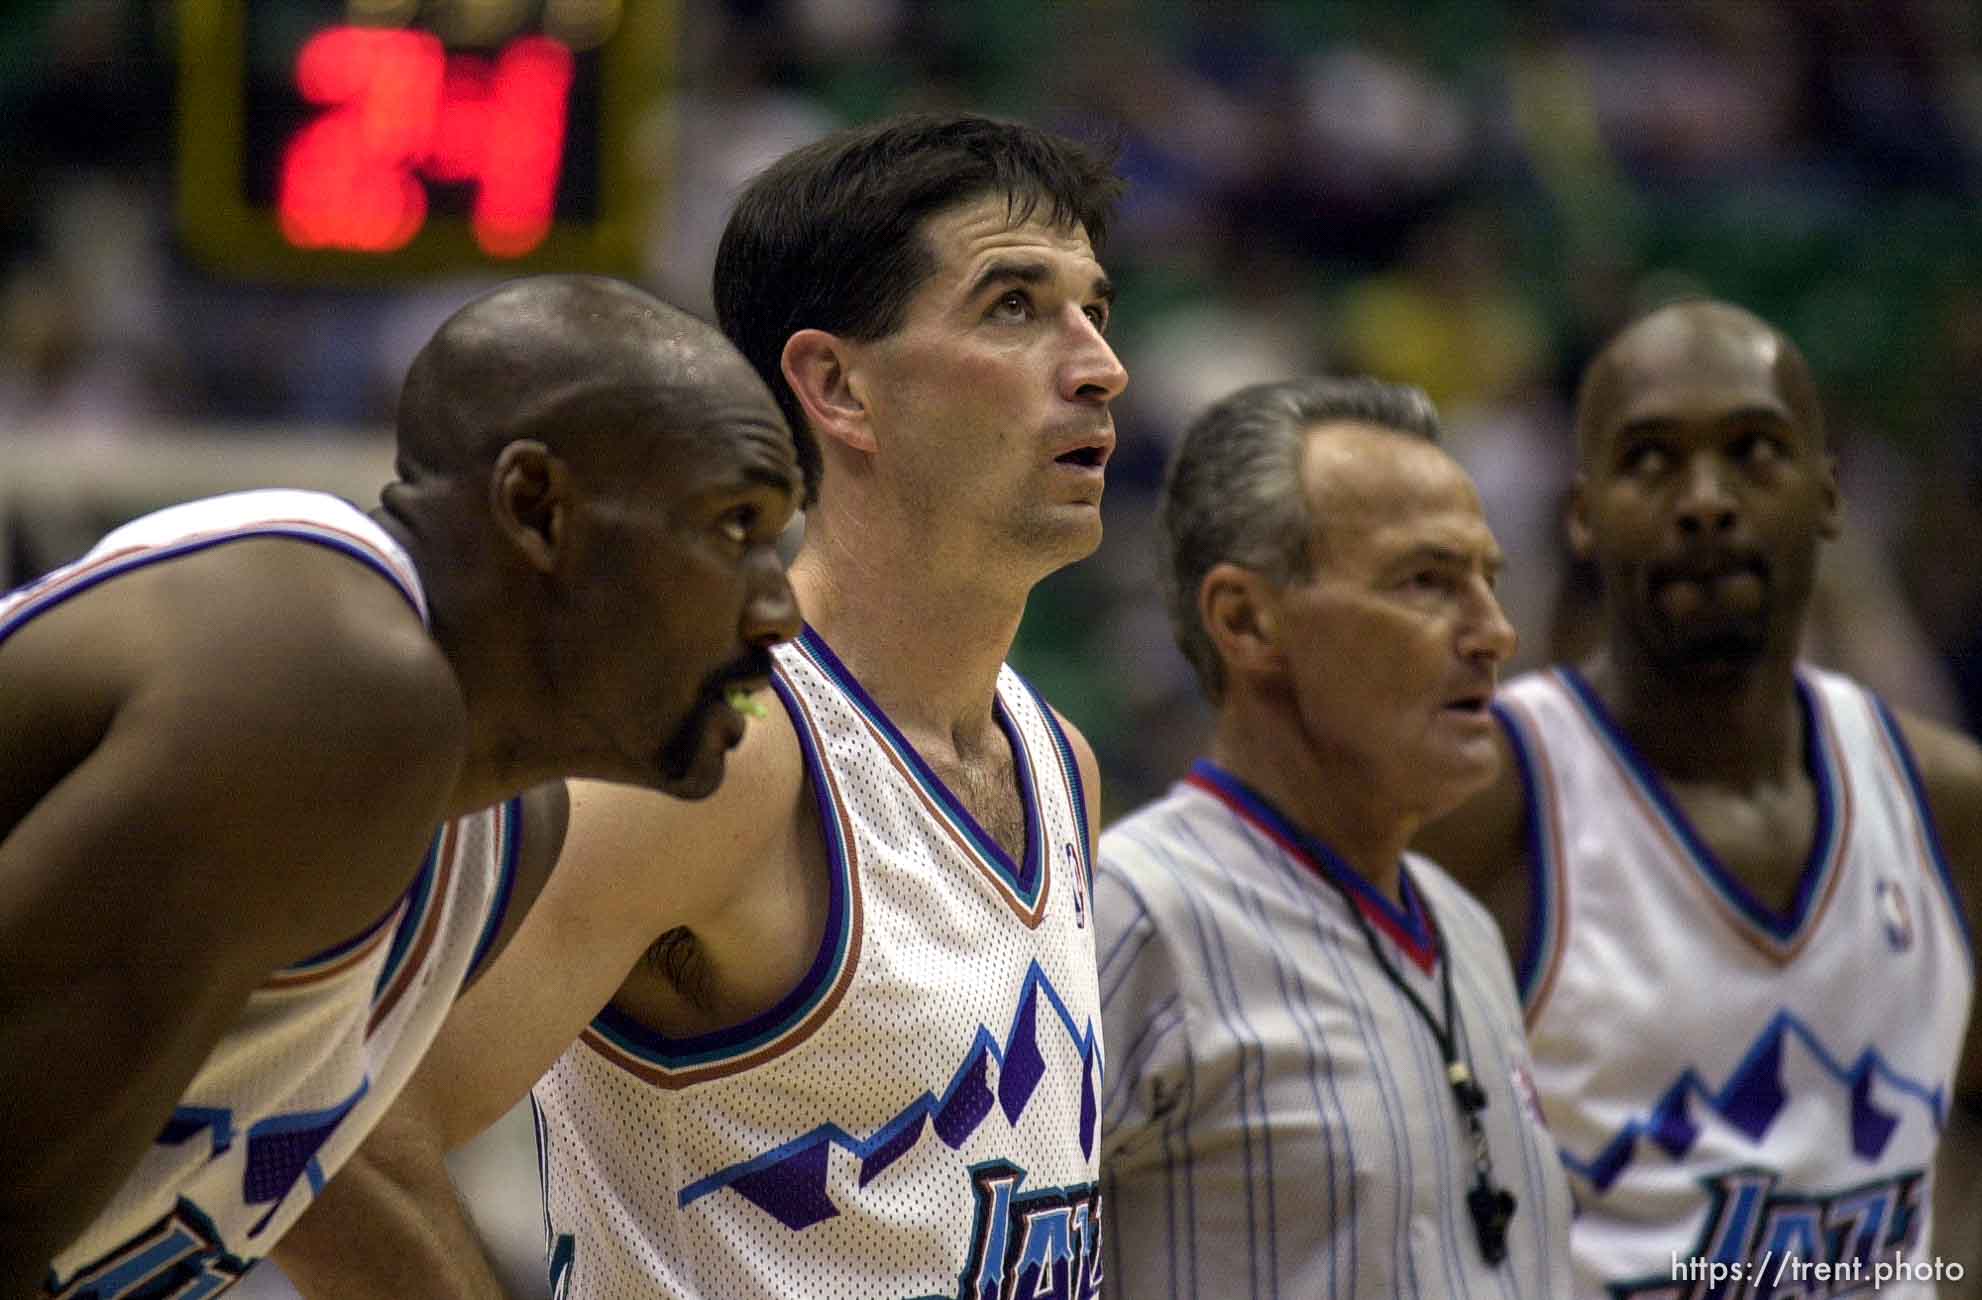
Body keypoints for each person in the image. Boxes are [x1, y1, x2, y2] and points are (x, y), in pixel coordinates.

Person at [271, 111, 1128, 1300]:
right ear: (837, 387)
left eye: (1096, 309)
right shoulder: (723, 758)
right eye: (1014, 307)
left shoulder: (1058, 760)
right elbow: (334, 1134)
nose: (1098, 364)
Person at [2, 273, 809, 1299]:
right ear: (536, 508)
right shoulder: (325, 676)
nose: (777, 608)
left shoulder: (504, 832)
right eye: (732, 526)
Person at [1417, 299, 1981, 1296]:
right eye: (1649, 460)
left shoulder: (1946, 805)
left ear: (1827, 495)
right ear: (1581, 514)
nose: (1705, 500)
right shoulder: (1479, 801)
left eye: (1754, 450)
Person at [1096, 376, 1575, 1296]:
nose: (1496, 632)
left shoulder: (1462, 925)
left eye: (1489, 580)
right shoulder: (1131, 912)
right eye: (1427, 581)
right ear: (1246, 620)